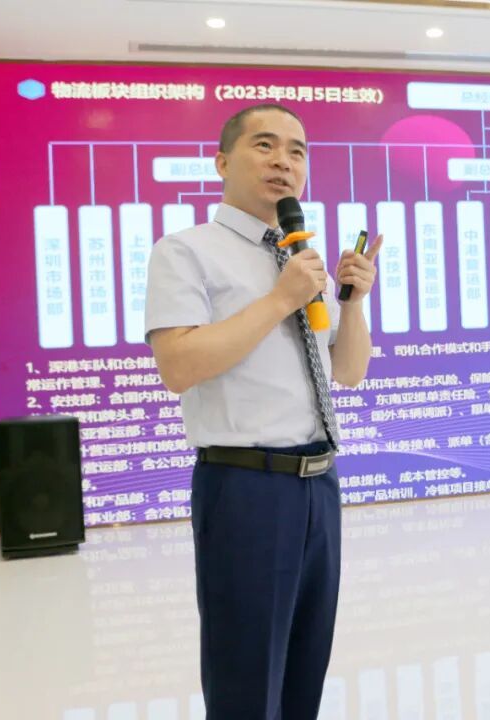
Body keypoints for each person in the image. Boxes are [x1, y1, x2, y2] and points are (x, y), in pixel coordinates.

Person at [144, 103, 383, 719]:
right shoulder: (186, 251)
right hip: (245, 485)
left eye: (298, 151)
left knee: (305, 669)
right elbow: (178, 367)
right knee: (246, 678)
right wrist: (281, 298)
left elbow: (348, 372)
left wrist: (352, 302)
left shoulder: (299, 257)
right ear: (222, 162)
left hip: (319, 484)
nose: (284, 162)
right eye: (265, 145)